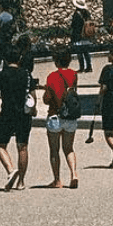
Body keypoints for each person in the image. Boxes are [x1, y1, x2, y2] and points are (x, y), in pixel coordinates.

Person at [0, 51, 37, 191]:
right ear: (20, 59)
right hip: (23, 115)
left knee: (0, 144)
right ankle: (21, 181)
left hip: (7, 113)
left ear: (5, 59)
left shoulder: (2, 74)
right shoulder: (26, 74)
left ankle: (11, 170)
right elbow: (32, 95)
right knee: (22, 146)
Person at [41, 48, 80, 189]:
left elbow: (47, 99)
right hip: (70, 116)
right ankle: (74, 173)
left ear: (56, 61)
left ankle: (57, 180)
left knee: (54, 149)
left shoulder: (52, 76)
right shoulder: (73, 75)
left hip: (55, 115)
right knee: (69, 148)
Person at [68, 0, 94, 72]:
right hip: (86, 35)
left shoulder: (77, 14)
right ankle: (89, 67)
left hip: (78, 36)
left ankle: (82, 67)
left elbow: (73, 26)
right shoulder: (87, 13)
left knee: (80, 52)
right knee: (86, 52)